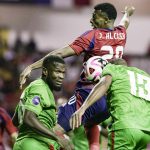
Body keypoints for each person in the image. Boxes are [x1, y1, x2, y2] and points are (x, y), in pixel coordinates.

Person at [19, 3, 135, 150]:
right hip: (110, 101)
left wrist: (32, 66)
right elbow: (125, 23)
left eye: (95, 16)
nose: (91, 20)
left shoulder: (92, 36)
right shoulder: (121, 33)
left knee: (52, 132)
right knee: (89, 125)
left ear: (106, 20)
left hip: (88, 95)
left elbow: (60, 54)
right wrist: (128, 13)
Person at [70, 58, 150, 149]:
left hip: (125, 128)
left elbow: (104, 84)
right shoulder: (145, 76)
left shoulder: (112, 68)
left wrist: (82, 108)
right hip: (146, 131)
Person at [12, 55, 73, 150]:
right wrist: (56, 137)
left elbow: (15, 121)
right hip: (34, 144)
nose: (61, 76)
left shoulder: (39, 88)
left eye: (63, 73)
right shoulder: (40, 87)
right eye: (57, 71)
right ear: (45, 71)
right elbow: (28, 118)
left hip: (31, 144)